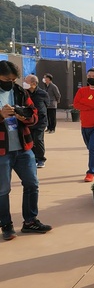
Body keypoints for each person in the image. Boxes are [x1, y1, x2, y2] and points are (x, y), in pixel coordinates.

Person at [0, 61, 52, 240]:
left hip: (23, 146)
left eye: (13, 79)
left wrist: (24, 116)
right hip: (2, 150)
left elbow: (34, 114)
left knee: (32, 184)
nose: (10, 82)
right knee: (3, 190)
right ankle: (6, 226)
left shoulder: (19, 92)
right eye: (7, 79)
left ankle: (30, 221)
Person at [23, 75, 49, 168]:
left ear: (33, 84)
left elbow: (47, 105)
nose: (24, 83)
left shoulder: (43, 93)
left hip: (41, 121)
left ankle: (41, 159)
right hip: (29, 121)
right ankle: (33, 158)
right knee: (30, 140)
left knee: (38, 139)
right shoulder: (24, 93)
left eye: (26, 82)